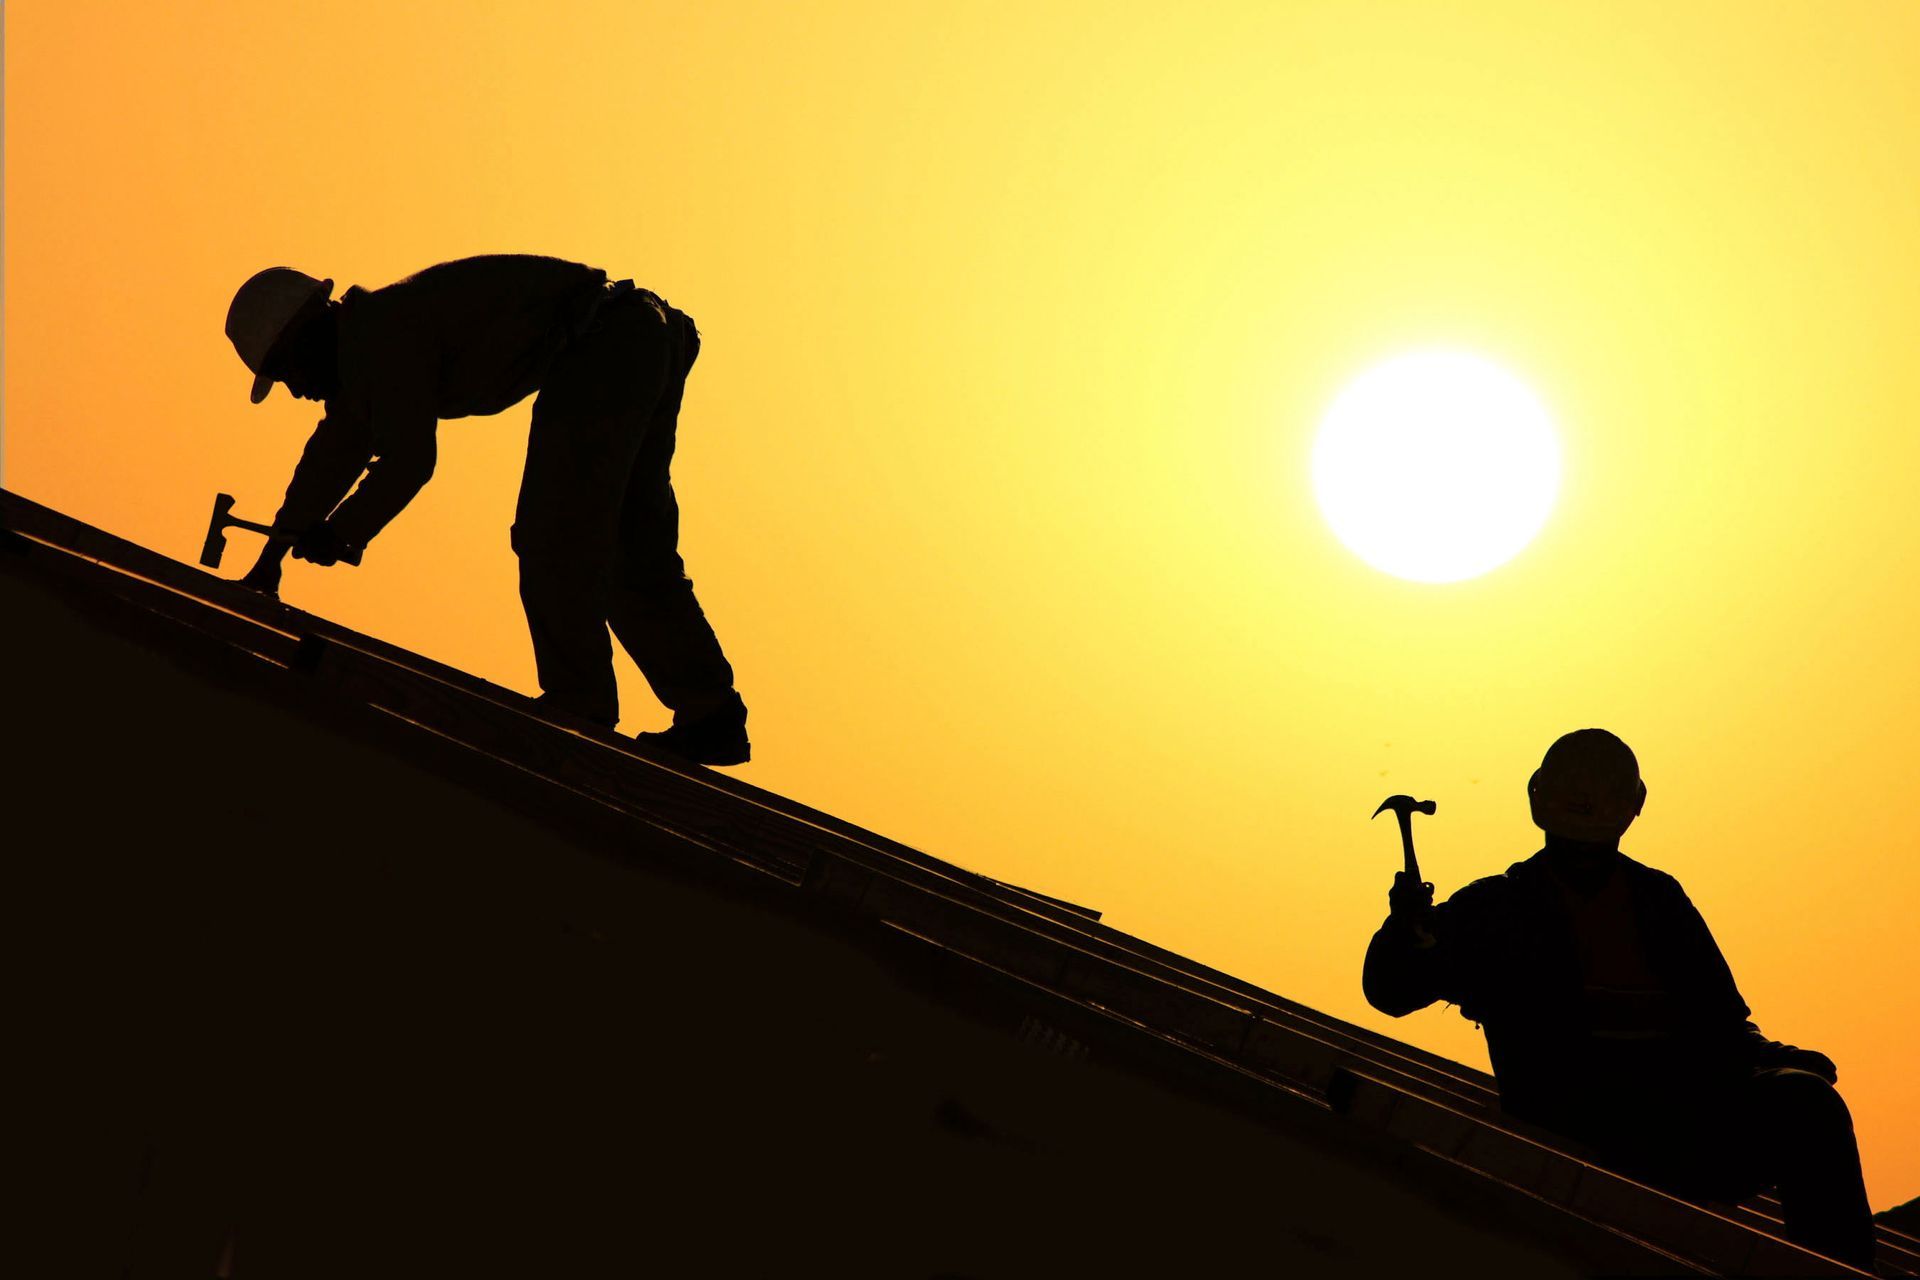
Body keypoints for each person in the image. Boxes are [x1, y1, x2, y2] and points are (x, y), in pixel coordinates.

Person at [1362, 729, 1875, 1270]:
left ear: (1538, 798)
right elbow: (1393, 991)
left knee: (1808, 1104)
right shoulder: (1496, 909)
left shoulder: (1657, 901)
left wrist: (1778, 1061)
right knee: (1806, 1104)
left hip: (1679, 1127)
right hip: (1577, 1121)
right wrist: (1404, 933)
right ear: (1634, 806)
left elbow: (1724, 1026)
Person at [224, 255, 749, 765]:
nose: (295, 390)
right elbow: (331, 457)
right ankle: (709, 715)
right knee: (630, 548)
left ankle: (580, 706)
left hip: (607, 342)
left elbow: (409, 461)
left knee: (554, 535)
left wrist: (342, 532)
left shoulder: (379, 340)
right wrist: (273, 555)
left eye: (287, 371)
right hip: (642, 334)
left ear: (308, 333)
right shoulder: (367, 351)